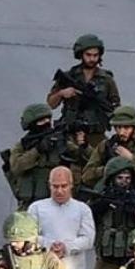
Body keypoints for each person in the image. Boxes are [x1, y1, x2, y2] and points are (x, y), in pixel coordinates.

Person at [47, 33, 121, 189]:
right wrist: (62, 93)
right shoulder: (69, 76)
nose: (92, 59)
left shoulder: (107, 80)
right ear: (81, 54)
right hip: (70, 133)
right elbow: (51, 103)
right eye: (88, 55)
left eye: (95, 55)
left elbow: (116, 108)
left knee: (95, 172)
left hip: (95, 135)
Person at [8, 104, 82, 210]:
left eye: (48, 120)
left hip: (58, 201)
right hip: (31, 202)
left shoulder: (58, 139)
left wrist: (83, 145)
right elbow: (16, 167)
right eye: (41, 121)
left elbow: (83, 157)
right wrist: (38, 150)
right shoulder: (23, 145)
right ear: (31, 124)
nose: (46, 123)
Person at [81, 105, 135, 198]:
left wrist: (132, 159)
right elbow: (86, 176)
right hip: (108, 198)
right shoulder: (106, 146)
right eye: (118, 128)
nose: (121, 132)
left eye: (126, 128)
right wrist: (110, 169)